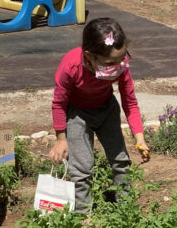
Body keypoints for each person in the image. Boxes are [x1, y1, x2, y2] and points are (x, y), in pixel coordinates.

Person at [48, 17, 150, 213]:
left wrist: (140, 137)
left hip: (106, 110)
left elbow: (129, 101)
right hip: (77, 115)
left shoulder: (121, 66)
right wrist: (61, 138)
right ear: (90, 56)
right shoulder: (71, 66)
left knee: (121, 160)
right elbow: (59, 103)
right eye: (110, 62)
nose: (117, 65)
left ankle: (126, 209)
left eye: (121, 59)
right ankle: (83, 215)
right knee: (82, 168)